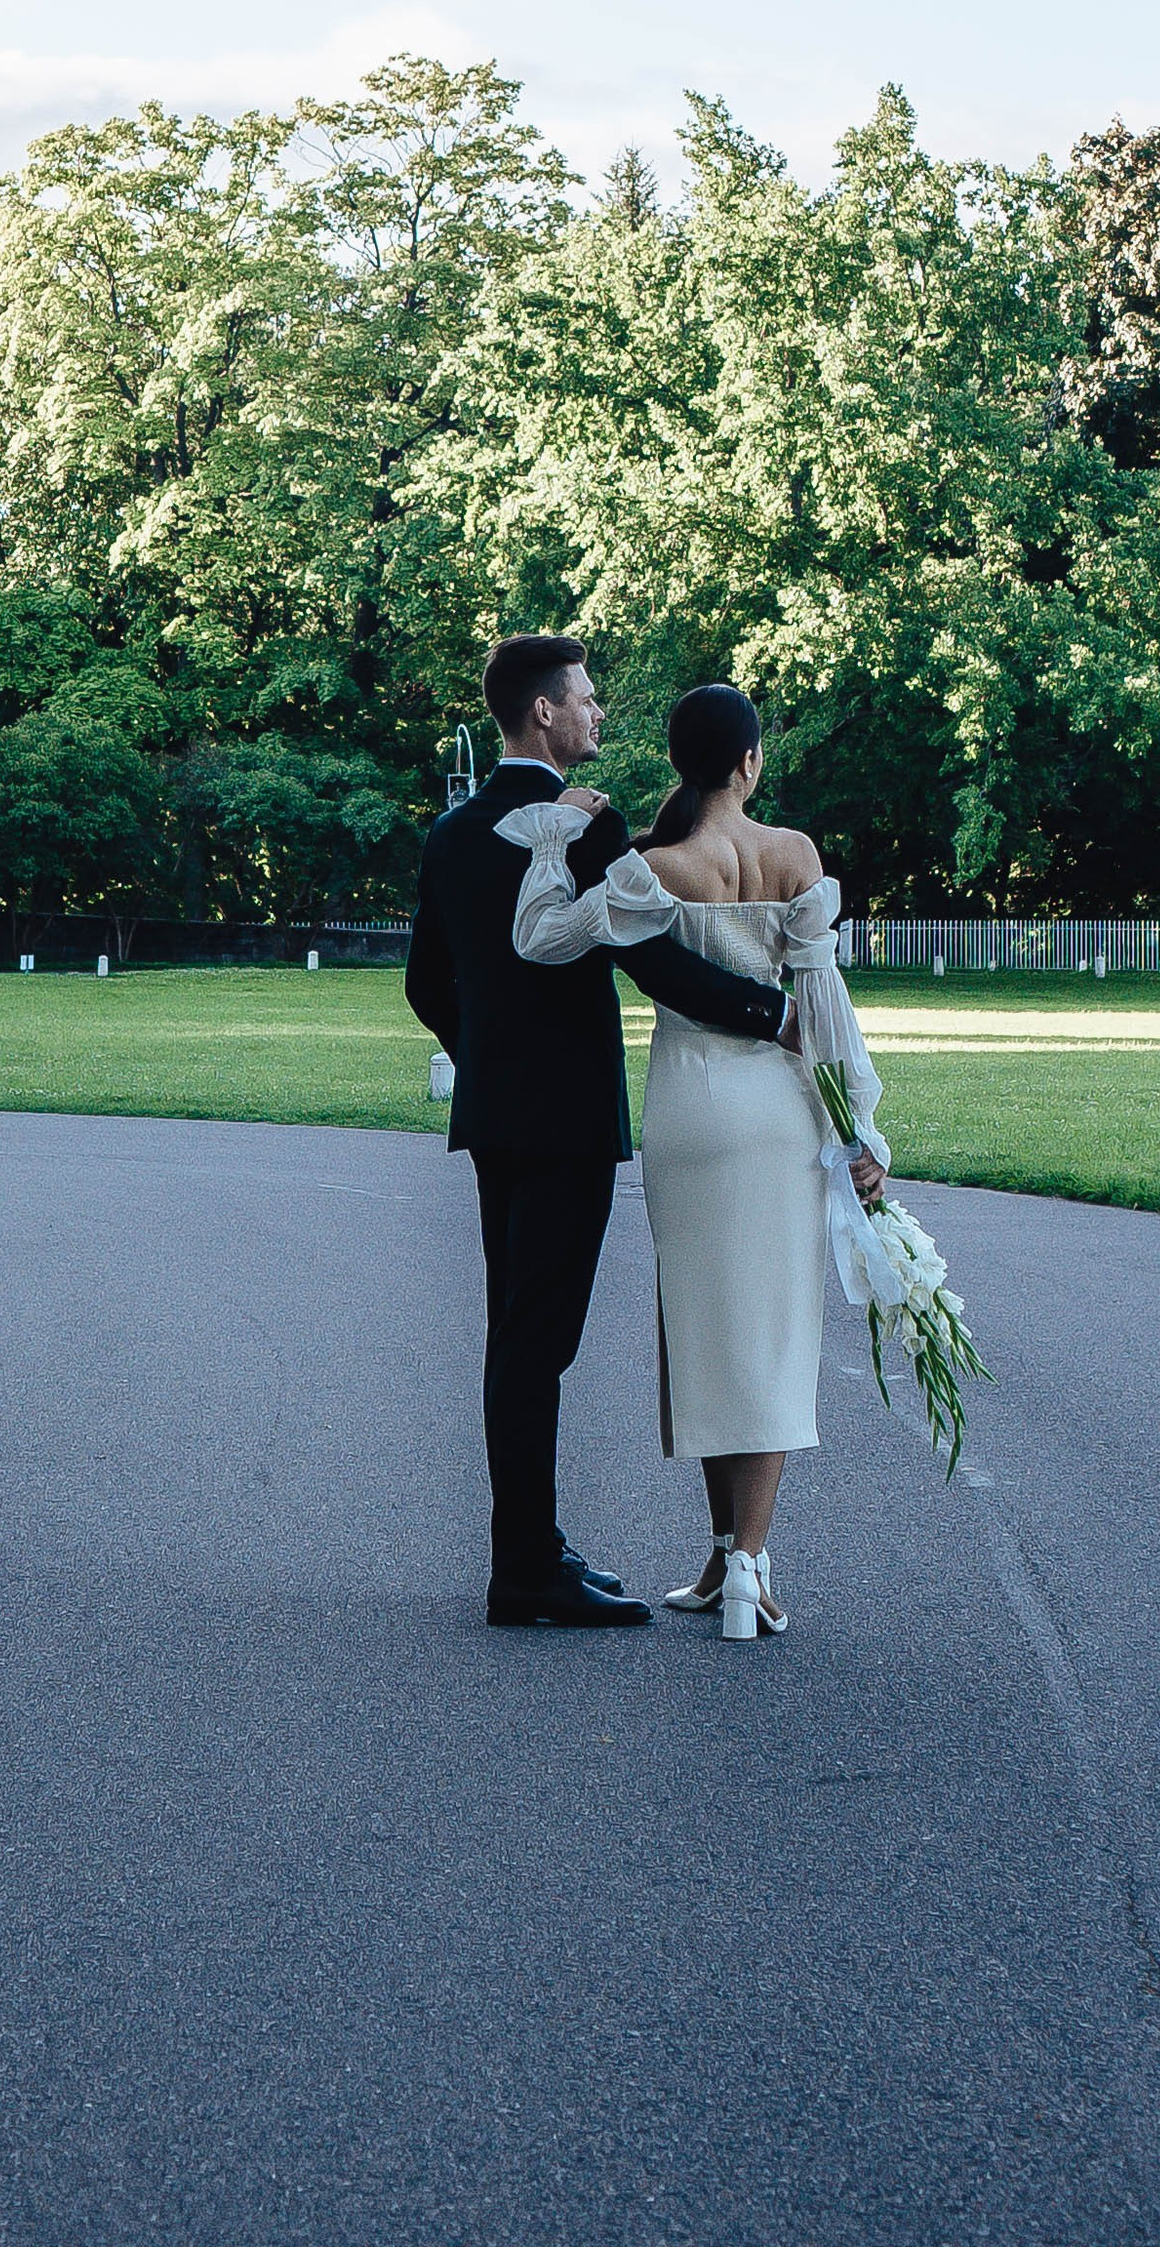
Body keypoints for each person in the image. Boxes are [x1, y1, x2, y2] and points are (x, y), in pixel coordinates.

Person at [406, 635, 798, 1630]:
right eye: (582, 700)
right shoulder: (584, 827)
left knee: (518, 1341)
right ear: (541, 713)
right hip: (572, 1122)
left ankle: (531, 1548)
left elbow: (424, 983)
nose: (594, 714)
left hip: (496, 1121)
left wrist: (489, 1062)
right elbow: (660, 963)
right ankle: (526, 1569)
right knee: (539, 1346)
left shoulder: (452, 834)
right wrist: (775, 1016)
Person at [498, 683, 886, 1646]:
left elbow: (541, 940)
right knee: (774, 1334)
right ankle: (745, 1564)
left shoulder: (651, 867)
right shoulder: (794, 856)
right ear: (750, 761)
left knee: (710, 1332)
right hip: (780, 1111)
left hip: (690, 1110)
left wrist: (550, 846)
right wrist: (859, 1130)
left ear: (679, 762)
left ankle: (728, 1561)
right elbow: (824, 1012)